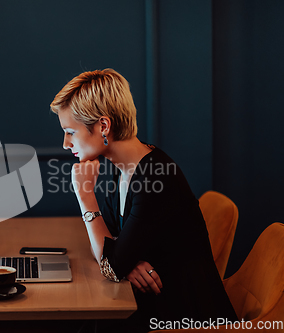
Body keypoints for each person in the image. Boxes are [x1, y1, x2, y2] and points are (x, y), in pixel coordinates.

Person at [50, 69, 238, 332]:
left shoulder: (154, 178)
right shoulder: (123, 166)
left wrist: (85, 197)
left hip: (181, 315)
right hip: (148, 300)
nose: (65, 143)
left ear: (103, 126)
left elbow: (111, 265)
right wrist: (127, 261)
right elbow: (110, 246)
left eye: (70, 131)